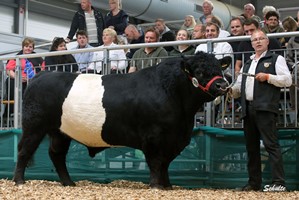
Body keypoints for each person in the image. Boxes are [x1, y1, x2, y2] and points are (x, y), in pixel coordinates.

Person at [230, 30, 291, 192]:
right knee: (251, 148)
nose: (258, 42)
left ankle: (279, 183)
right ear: (251, 44)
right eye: (254, 40)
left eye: (261, 39)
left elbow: (288, 80)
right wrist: (230, 91)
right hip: (248, 108)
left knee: (271, 145)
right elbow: (238, 87)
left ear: (267, 41)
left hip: (265, 108)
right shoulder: (247, 63)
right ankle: (253, 183)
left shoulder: (276, 58)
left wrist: (268, 77)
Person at [5, 37, 45, 114]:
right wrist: (18, 77)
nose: (28, 48)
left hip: (32, 80)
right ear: (23, 47)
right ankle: (14, 111)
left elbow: (43, 69)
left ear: (33, 48)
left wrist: (35, 77)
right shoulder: (16, 57)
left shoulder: (38, 58)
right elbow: (8, 70)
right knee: (11, 82)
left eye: (30, 47)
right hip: (18, 80)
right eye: (26, 46)